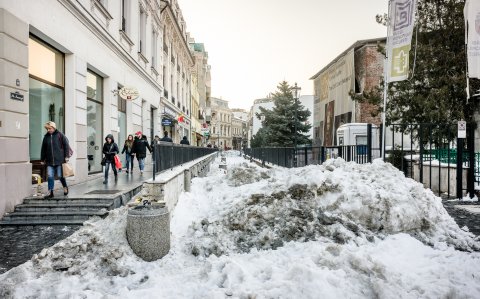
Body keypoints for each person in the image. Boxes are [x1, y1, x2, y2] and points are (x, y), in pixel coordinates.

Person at [41, 121, 70, 198]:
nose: (48, 130)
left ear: (54, 128)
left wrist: (66, 156)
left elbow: (66, 145)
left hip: (59, 160)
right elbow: (43, 149)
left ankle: (65, 187)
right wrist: (42, 159)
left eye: (49, 128)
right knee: (50, 176)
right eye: (47, 129)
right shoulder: (46, 137)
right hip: (49, 161)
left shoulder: (60, 135)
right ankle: (50, 192)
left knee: (60, 176)